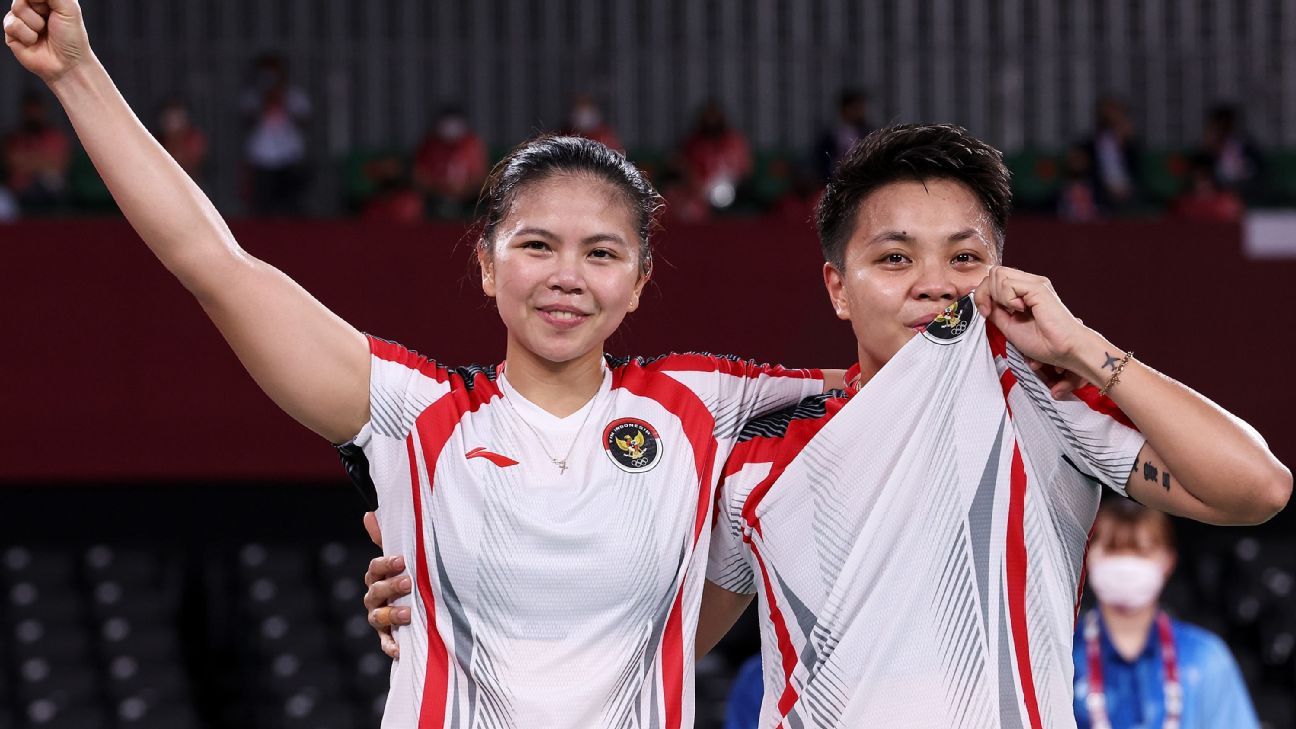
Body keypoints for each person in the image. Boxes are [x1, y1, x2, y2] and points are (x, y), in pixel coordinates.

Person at [3, 3, 843, 727]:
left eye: (602, 252)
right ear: (485, 263)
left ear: (639, 280)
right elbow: (214, 263)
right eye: (536, 244)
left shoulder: (710, 399)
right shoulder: (411, 412)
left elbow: (909, 376)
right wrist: (76, 72)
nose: (566, 276)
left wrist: (980, 286)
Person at [358, 124, 1291, 728]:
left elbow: (1257, 486)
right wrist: (453, 592)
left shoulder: (1042, 404)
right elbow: (648, 639)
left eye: (964, 257)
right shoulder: (757, 452)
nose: (933, 281)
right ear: (838, 287)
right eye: (895, 257)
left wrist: (1085, 345)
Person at [1074, 497, 1260, 729]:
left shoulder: (1206, 657)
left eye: (1142, 551)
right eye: (1113, 550)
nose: (1127, 565)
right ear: (1087, 556)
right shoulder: (1064, 654)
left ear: (1168, 560)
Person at [239, 52, 311, 215]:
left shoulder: (294, 96)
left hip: (290, 156)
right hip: (261, 157)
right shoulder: (252, 96)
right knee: (262, 206)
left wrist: (282, 99)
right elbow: (246, 121)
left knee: (291, 205)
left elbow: (305, 121)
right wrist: (265, 101)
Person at [676, 100, 752, 212]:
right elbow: (685, 168)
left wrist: (735, 182)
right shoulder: (693, 144)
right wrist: (698, 187)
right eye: (708, 118)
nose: (712, 122)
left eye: (715, 117)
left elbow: (746, 168)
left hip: (734, 189)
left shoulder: (735, 141)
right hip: (701, 192)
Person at [412, 106, 488, 217]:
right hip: (434, 198)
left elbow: (480, 176)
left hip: (468, 199)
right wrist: (440, 189)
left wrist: (463, 191)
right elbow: (419, 176)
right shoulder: (429, 146)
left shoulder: (473, 144)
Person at [3, 88, 70, 211]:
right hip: (19, 192)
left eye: (36, 109)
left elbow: (59, 165)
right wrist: (44, 160)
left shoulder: (55, 136)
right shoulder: (14, 137)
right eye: (30, 110)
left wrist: (28, 160)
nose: (33, 114)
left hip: (51, 192)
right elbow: (14, 163)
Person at [1080, 97, 1141, 214]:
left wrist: (1126, 143)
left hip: (1128, 189)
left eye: (1115, 112)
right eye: (1107, 112)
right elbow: (1087, 171)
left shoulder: (1129, 143)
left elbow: (1137, 170)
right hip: (1101, 190)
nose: (1111, 116)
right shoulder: (1090, 143)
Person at [812, 88, 871, 183]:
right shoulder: (832, 135)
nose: (860, 112)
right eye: (855, 108)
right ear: (844, 109)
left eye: (861, 108)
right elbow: (822, 162)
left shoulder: (868, 133)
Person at [155, 96, 207, 181]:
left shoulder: (194, 139)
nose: (173, 124)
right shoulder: (157, 142)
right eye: (169, 119)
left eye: (177, 119)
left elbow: (191, 166)